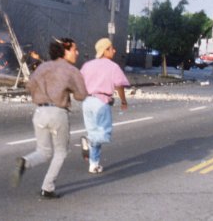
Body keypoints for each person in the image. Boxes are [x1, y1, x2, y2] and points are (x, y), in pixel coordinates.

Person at [11, 37, 87, 199]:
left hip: (40, 112)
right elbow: (81, 95)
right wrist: (69, 90)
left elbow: (29, 85)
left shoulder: (43, 67)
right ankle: (48, 187)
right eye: (74, 49)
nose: (77, 52)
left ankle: (25, 162)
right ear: (65, 51)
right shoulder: (72, 70)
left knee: (43, 151)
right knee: (61, 152)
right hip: (58, 113)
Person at [78, 38, 129, 175]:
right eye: (111, 48)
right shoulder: (113, 67)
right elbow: (119, 85)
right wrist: (123, 101)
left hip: (87, 102)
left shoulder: (87, 65)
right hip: (101, 101)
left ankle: (93, 165)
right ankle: (88, 141)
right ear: (105, 50)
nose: (114, 50)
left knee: (93, 132)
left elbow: (79, 82)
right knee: (104, 134)